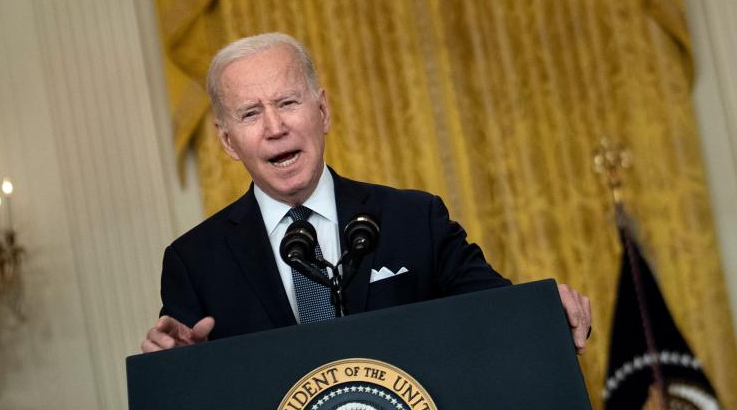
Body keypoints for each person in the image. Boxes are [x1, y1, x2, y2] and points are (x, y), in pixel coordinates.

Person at [142, 33, 592, 353]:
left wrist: (548, 311)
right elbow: (187, 400)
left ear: (322, 111)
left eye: (287, 103)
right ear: (227, 141)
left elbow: (499, 314)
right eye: (250, 113)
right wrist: (174, 370)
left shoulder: (414, 219)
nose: (275, 127)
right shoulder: (195, 262)